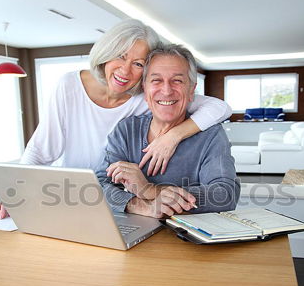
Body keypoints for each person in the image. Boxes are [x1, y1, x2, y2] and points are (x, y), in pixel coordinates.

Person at [0, 19, 232, 219]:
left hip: (112, 207)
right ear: (105, 54)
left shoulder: (144, 96)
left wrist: (172, 136)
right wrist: (16, 189)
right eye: (120, 56)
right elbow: (40, 149)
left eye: (138, 64)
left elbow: (218, 107)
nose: (125, 71)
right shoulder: (71, 87)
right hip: (69, 197)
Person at [96, 44, 240, 218]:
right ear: (145, 88)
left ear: (191, 91)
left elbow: (224, 195)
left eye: (177, 81)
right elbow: (100, 185)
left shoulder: (211, 135)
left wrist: (149, 190)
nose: (166, 91)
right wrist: (142, 206)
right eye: (156, 80)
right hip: (136, 228)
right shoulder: (127, 130)